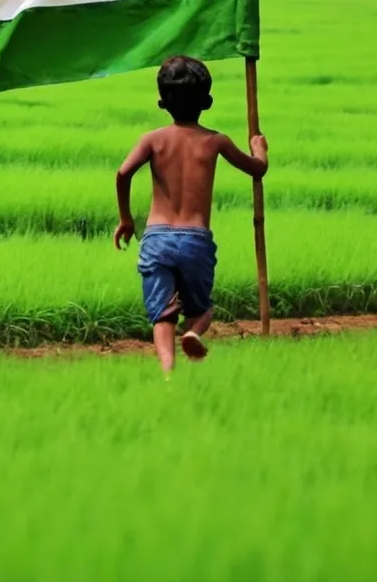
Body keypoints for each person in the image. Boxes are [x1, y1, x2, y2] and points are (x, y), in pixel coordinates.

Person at [113, 56, 268, 376]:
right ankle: (194, 332)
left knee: (162, 314)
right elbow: (258, 169)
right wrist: (259, 146)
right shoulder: (215, 141)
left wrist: (127, 220)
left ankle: (168, 372)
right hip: (195, 238)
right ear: (207, 102)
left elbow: (123, 173)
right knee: (202, 309)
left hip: (157, 238)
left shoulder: (152, 140)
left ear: (161, 102)